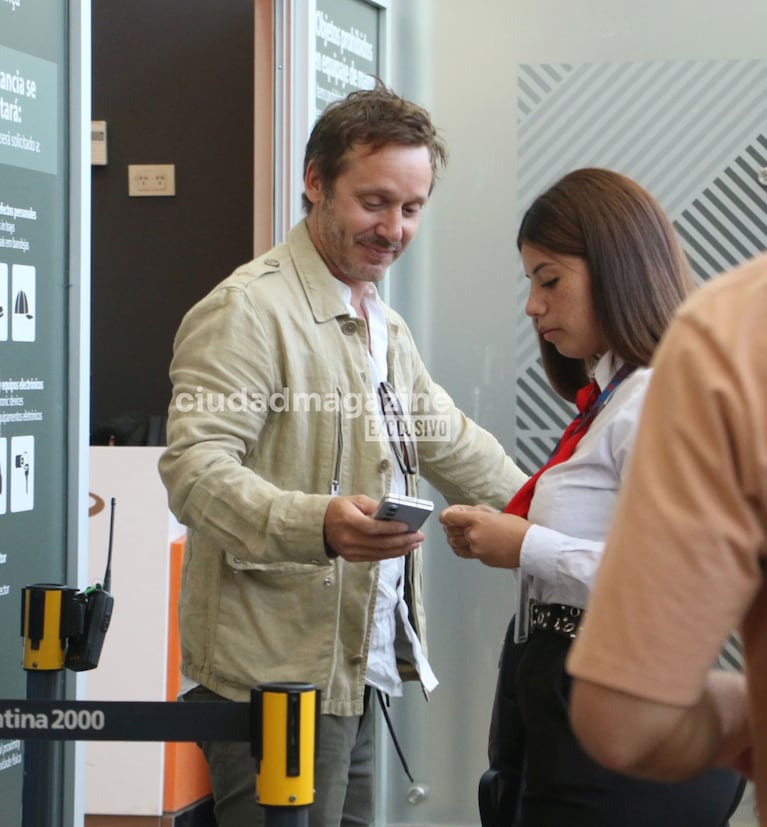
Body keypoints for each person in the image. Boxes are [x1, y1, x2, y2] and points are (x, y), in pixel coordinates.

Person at [158, 81, 527, 827]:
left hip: (359, 673)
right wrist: (317, 523)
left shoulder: (378, 318)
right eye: (374, 201)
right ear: (315, 182)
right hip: (272, 682)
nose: (393, 227)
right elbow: (194, 472)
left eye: (412, 208)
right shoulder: (248, 310)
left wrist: (553, 522)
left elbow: (447, 437)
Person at [439, 167, 745, 826]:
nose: (531, 306)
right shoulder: (611, 399)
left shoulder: (656, 396)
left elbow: (678, 579)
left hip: (612, 704)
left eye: (549, 280)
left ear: (615, 268)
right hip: (559, 689)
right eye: (529, 282)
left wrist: (528, 546)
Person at [567, 251, 767, 822]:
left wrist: (741, 710)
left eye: (548, 280)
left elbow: (626, 721)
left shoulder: (733, 334)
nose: (532, 305)